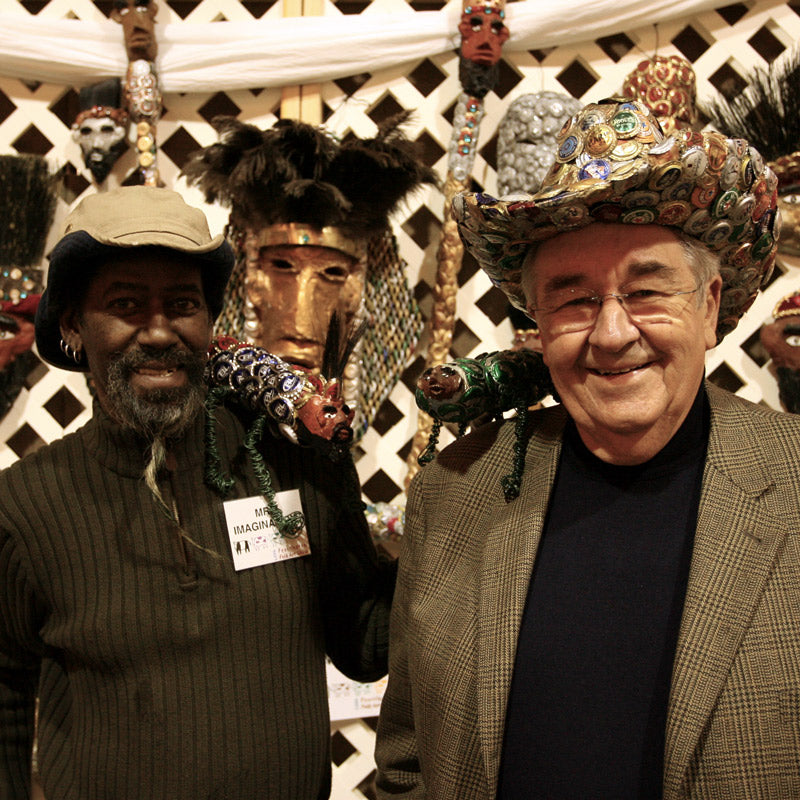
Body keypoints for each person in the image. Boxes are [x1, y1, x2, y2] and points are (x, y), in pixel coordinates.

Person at [375, 97, 800, 799]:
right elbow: (407, 765)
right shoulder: (456, 491)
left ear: (710, 304)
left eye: (646, 290)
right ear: (537, 323)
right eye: (573, 300)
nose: (610, 333)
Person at [0, 186, 395, 799]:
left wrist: (450, 525)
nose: (159, 332)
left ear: (210, 322)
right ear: (74, 323)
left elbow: (367, 646)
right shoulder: (20, 510)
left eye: (182, 303)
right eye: (126, 303)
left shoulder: (292, 465)